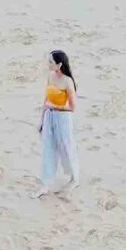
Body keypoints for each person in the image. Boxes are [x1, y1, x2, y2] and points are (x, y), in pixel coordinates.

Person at [38, 48, 79, 194]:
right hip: (49, 117)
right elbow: (46, 98)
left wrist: (54, 106)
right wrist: (42, 119)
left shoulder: (68, 82)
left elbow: (73, 107)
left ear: (59, 64)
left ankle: (74, 178)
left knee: (66, 147)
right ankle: (45, 183)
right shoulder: (50, 76)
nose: (48, 64)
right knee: (48, 148)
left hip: (63, 119)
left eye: (51, 62)